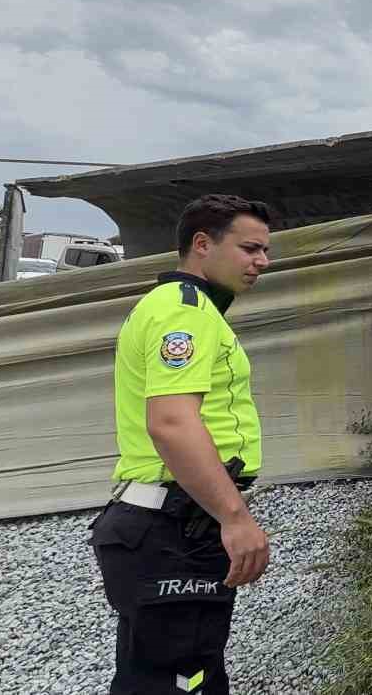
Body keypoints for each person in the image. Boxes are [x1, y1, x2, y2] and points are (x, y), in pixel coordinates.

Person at [89, 194, 275, 695]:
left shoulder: (185, 308)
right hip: (173, 528)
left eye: (264, 251)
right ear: (202, 244)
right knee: (183, 682)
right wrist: (235, 518)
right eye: (250, 248)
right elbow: (171, 423)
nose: (262, 261)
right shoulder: (185, 312)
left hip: (169, 524)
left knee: (161, 677)